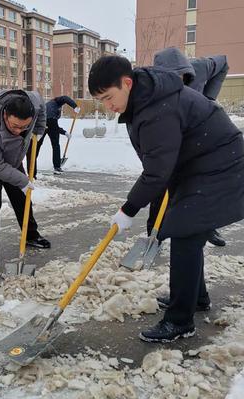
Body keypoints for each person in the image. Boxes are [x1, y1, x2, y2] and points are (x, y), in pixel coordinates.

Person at [88, 55, 244, 343]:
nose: (108, 106)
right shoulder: (146, 98)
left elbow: (156, 171)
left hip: (220, 168)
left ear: (127, 82)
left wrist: (128, 209)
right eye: (101, 101)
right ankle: (195, 299)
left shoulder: (156, 107)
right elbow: (162, 162)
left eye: (109, 97)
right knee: (188, 233)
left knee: (184, 233)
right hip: (199, 166)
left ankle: (179, 321)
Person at [154, 47, 230, 247]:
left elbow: (224, 61)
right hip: (176, 129)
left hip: (200, 128)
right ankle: (155, 232)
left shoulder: (202, 67)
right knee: (161, 179)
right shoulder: (155, 89)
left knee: (201, 183)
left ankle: (207, 228)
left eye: (179, 77)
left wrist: (209, 99)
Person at [0, 90, 51, 268]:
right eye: (15, 126)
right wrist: (22, 181)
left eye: (24, 127)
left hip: (13, 157)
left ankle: (31, 235)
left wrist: (38, 128)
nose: (19, 131)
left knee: (22, 198)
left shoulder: (33, 101)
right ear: (5, 114)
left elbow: (42, 109)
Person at [30, 96, 80, 175]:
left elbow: (54, 127)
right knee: (55, 145)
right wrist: (75, 106)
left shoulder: (48, 105)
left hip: (41, 122)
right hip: (49, 121)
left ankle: (32, 166)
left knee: (37, 145)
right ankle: (57, 167)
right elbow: (65, 98)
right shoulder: (56, 102)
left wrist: (64, 132)